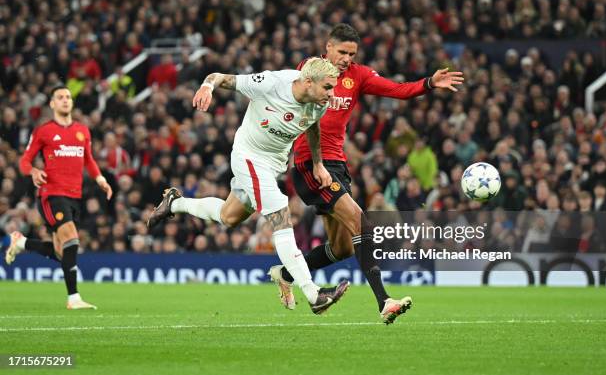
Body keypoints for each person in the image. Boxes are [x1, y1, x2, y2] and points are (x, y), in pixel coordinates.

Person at [271, 23, 464, 324]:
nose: (347, 58)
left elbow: (397, 90)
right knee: (362, 223)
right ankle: (384, 301)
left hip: (337, 166)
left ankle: (285, 273)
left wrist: (428, 83)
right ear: (329, 47)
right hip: (311, 164)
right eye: (342, 52)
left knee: (343, 247)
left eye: (352, 53)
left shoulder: (358, 76)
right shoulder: (310, 70)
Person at [147, 58, 350, 314]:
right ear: (308, 81)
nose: (332, 95)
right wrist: (208, 87)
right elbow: (219, 76)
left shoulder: (317, 102)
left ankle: (175, 203)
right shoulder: (271, 83)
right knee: (280, 213)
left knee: (229, 216)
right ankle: (313, 294)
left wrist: (318, 164)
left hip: (273, 164)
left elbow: (312, 128)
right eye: (328, 88)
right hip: (249, 157)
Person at [5, 85, 113, 310]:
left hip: (75, 196)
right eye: (60, 97)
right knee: (72, 239)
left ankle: (22, 242)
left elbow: (89, 160)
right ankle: (73, 298)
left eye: (68, 97)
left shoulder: (82, 130)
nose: (65, 100)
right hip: (52, 195)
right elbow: (24, 161)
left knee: (60, 252)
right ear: (52, 103)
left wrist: (100, 179)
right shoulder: (44, 131)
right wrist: (34, 171)